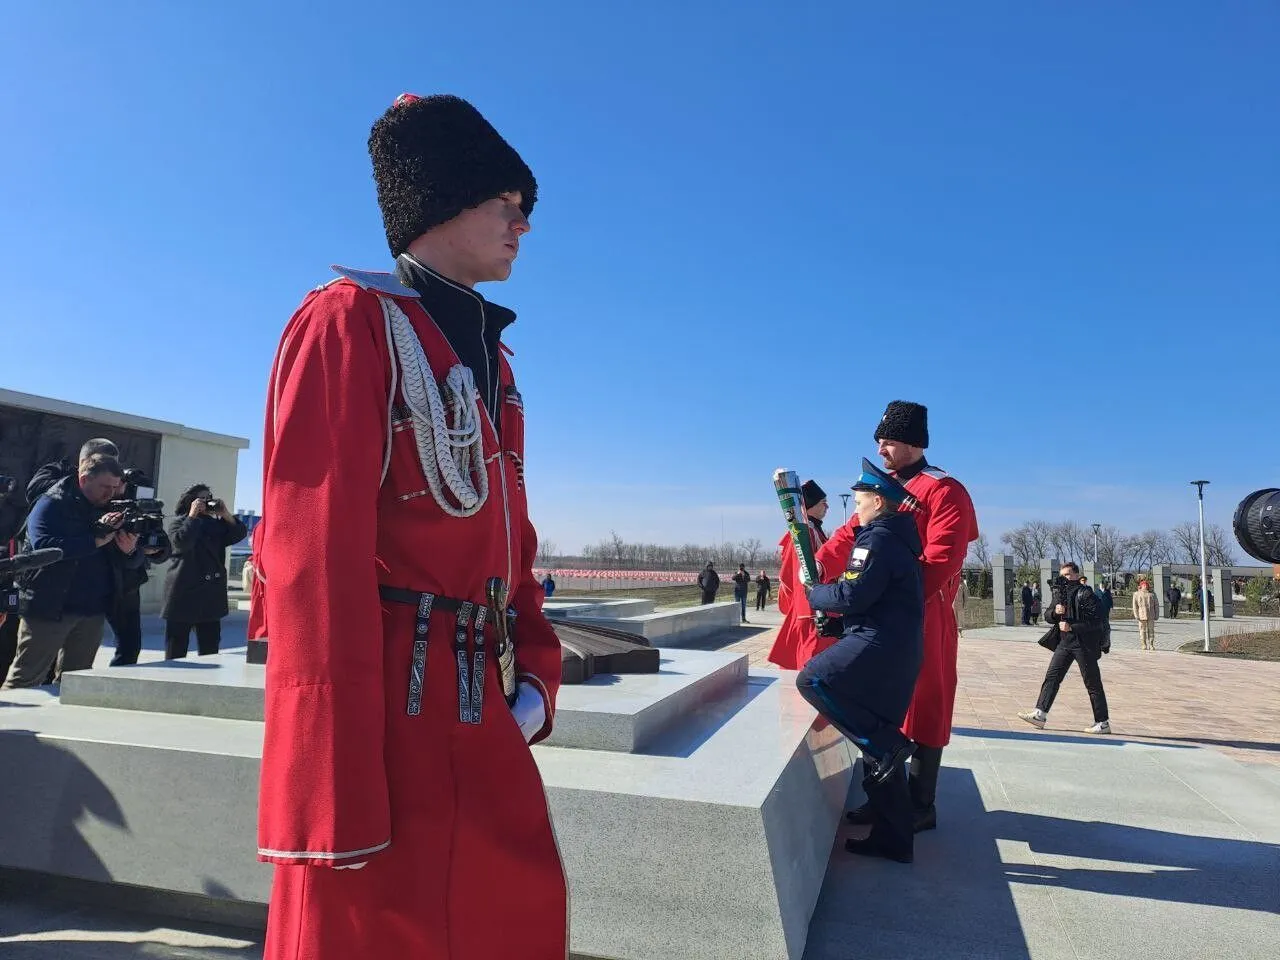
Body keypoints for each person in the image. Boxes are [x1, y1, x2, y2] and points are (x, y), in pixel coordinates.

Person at [256, 93, 566, 958]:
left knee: (506, 921)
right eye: (506, 204)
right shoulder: (350, 322)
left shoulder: (491, 359)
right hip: (384, 706)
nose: (522, 225)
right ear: (440, 202)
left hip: (480, 703)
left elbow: (514, 539)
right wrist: (328, 780)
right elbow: (311, 555)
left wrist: (536, 677)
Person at [823, 402, 978, 835]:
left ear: (914, 443)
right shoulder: (879, 489)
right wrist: (816, 566)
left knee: (927, 703)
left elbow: (943, 558)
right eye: (878, 439)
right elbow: (847, 536)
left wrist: (890, 602)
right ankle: (883, 799)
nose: (880, 446)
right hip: (880, 614)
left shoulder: (944, 490)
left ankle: (920, 804)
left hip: (922, 615)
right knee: (880, 701)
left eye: (888, 439)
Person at [799, 466, 923, 863]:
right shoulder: (896, 539)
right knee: (874, 736)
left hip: (879, 646)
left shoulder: (879, 539)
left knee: (814, 680)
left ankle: (888, 747)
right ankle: (895, 837)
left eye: (858, 502)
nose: (855, 510)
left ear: (878, 501)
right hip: (895, 648)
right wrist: (838, 620)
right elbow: (876, 598)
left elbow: (854, 593)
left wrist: (816, 594)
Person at [4, 455, 142, 688]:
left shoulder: (111, 507)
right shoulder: (52, 502)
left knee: (76, 684)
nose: (111, 493)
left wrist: (130, 551)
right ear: (84, 479)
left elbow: (130, 559)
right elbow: (44, 547)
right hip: (49, 607)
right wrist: (93, 540)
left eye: (115, 487)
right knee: (25, 679)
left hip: (92, 610)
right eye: (104, 487)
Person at [1018, 562, 1111, 734]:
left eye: (1067, 575)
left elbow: (1097, 622)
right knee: (1052, 676)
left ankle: (1102, 722)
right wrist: (1055, 612)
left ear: (1076, 575)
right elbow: (1047, 616)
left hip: (1083, 644)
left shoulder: (1086, 593)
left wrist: (1073, 627)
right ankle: (1040, 714)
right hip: (1064, 643)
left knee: (1092, 682)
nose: (1064, 578)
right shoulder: (1060, 593)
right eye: (1062, 575)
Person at [162, 485, 247, 658]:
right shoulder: (179, 522)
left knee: (210, 647)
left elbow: (238, 534)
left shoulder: (215, 525)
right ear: (190, 501)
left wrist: (225, 513)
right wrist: (192, 516)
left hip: (210, 592)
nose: (207, 502)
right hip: (183, 590)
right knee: (176, 648)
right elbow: (181, 542)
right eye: (202, 499)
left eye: (209, 497)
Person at [767, 479, 832, 668]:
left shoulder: (815, 531)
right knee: (810, 659)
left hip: (822, 603)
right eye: (823, 502)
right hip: (811, 608)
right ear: (810, 506)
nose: (827, 506)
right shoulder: (804, 534)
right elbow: (789, 575)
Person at [1132, 578, 1159, 650]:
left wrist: (1157, 615)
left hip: (1151, 614)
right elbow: (1135, 606)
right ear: (1141, 586)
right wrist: (1136, 615)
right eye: (1144, 585)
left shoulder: (1152, 594)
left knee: (1151, 630)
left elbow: (1156, 605)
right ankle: (1143, 644)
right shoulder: (1136, 594)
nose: (1145, 586)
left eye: (1146, 585)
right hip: (1141, 615)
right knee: (1142, 630)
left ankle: (1151, 644)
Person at [1094, 580, 1113, 654]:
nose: (1102, 585)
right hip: (1098, 613)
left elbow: (1110, 601)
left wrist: (1111, 608)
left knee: (1106, 629)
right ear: (1099, 585)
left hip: (1106, 612)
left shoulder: (1107, 592)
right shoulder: (1096, 592)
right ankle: (1099, 644)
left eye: (1103, 584)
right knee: (1099, 629)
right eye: (1101, 584)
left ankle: (1105, 645)